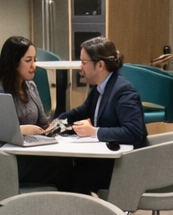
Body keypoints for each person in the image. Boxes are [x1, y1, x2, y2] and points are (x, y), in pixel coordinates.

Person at [55, 36, 147, 196]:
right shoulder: (99, 89)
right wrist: (56, 123)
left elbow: (134, 132)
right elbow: (79, 113)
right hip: (106, 160)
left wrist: (94, 131)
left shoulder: (123, 91)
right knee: (63, 168)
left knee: (75, 175)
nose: (80, 67)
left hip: (124, 166)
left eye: (84, 62)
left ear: (100, 65)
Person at [0, 35, 51, 133]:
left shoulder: (31, 86)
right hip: (7, 147)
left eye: (34, 60)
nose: (34, 66)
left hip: (33, 143)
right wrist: (23, 130)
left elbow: (43, 122)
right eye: (28, 60)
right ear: (14, 63)